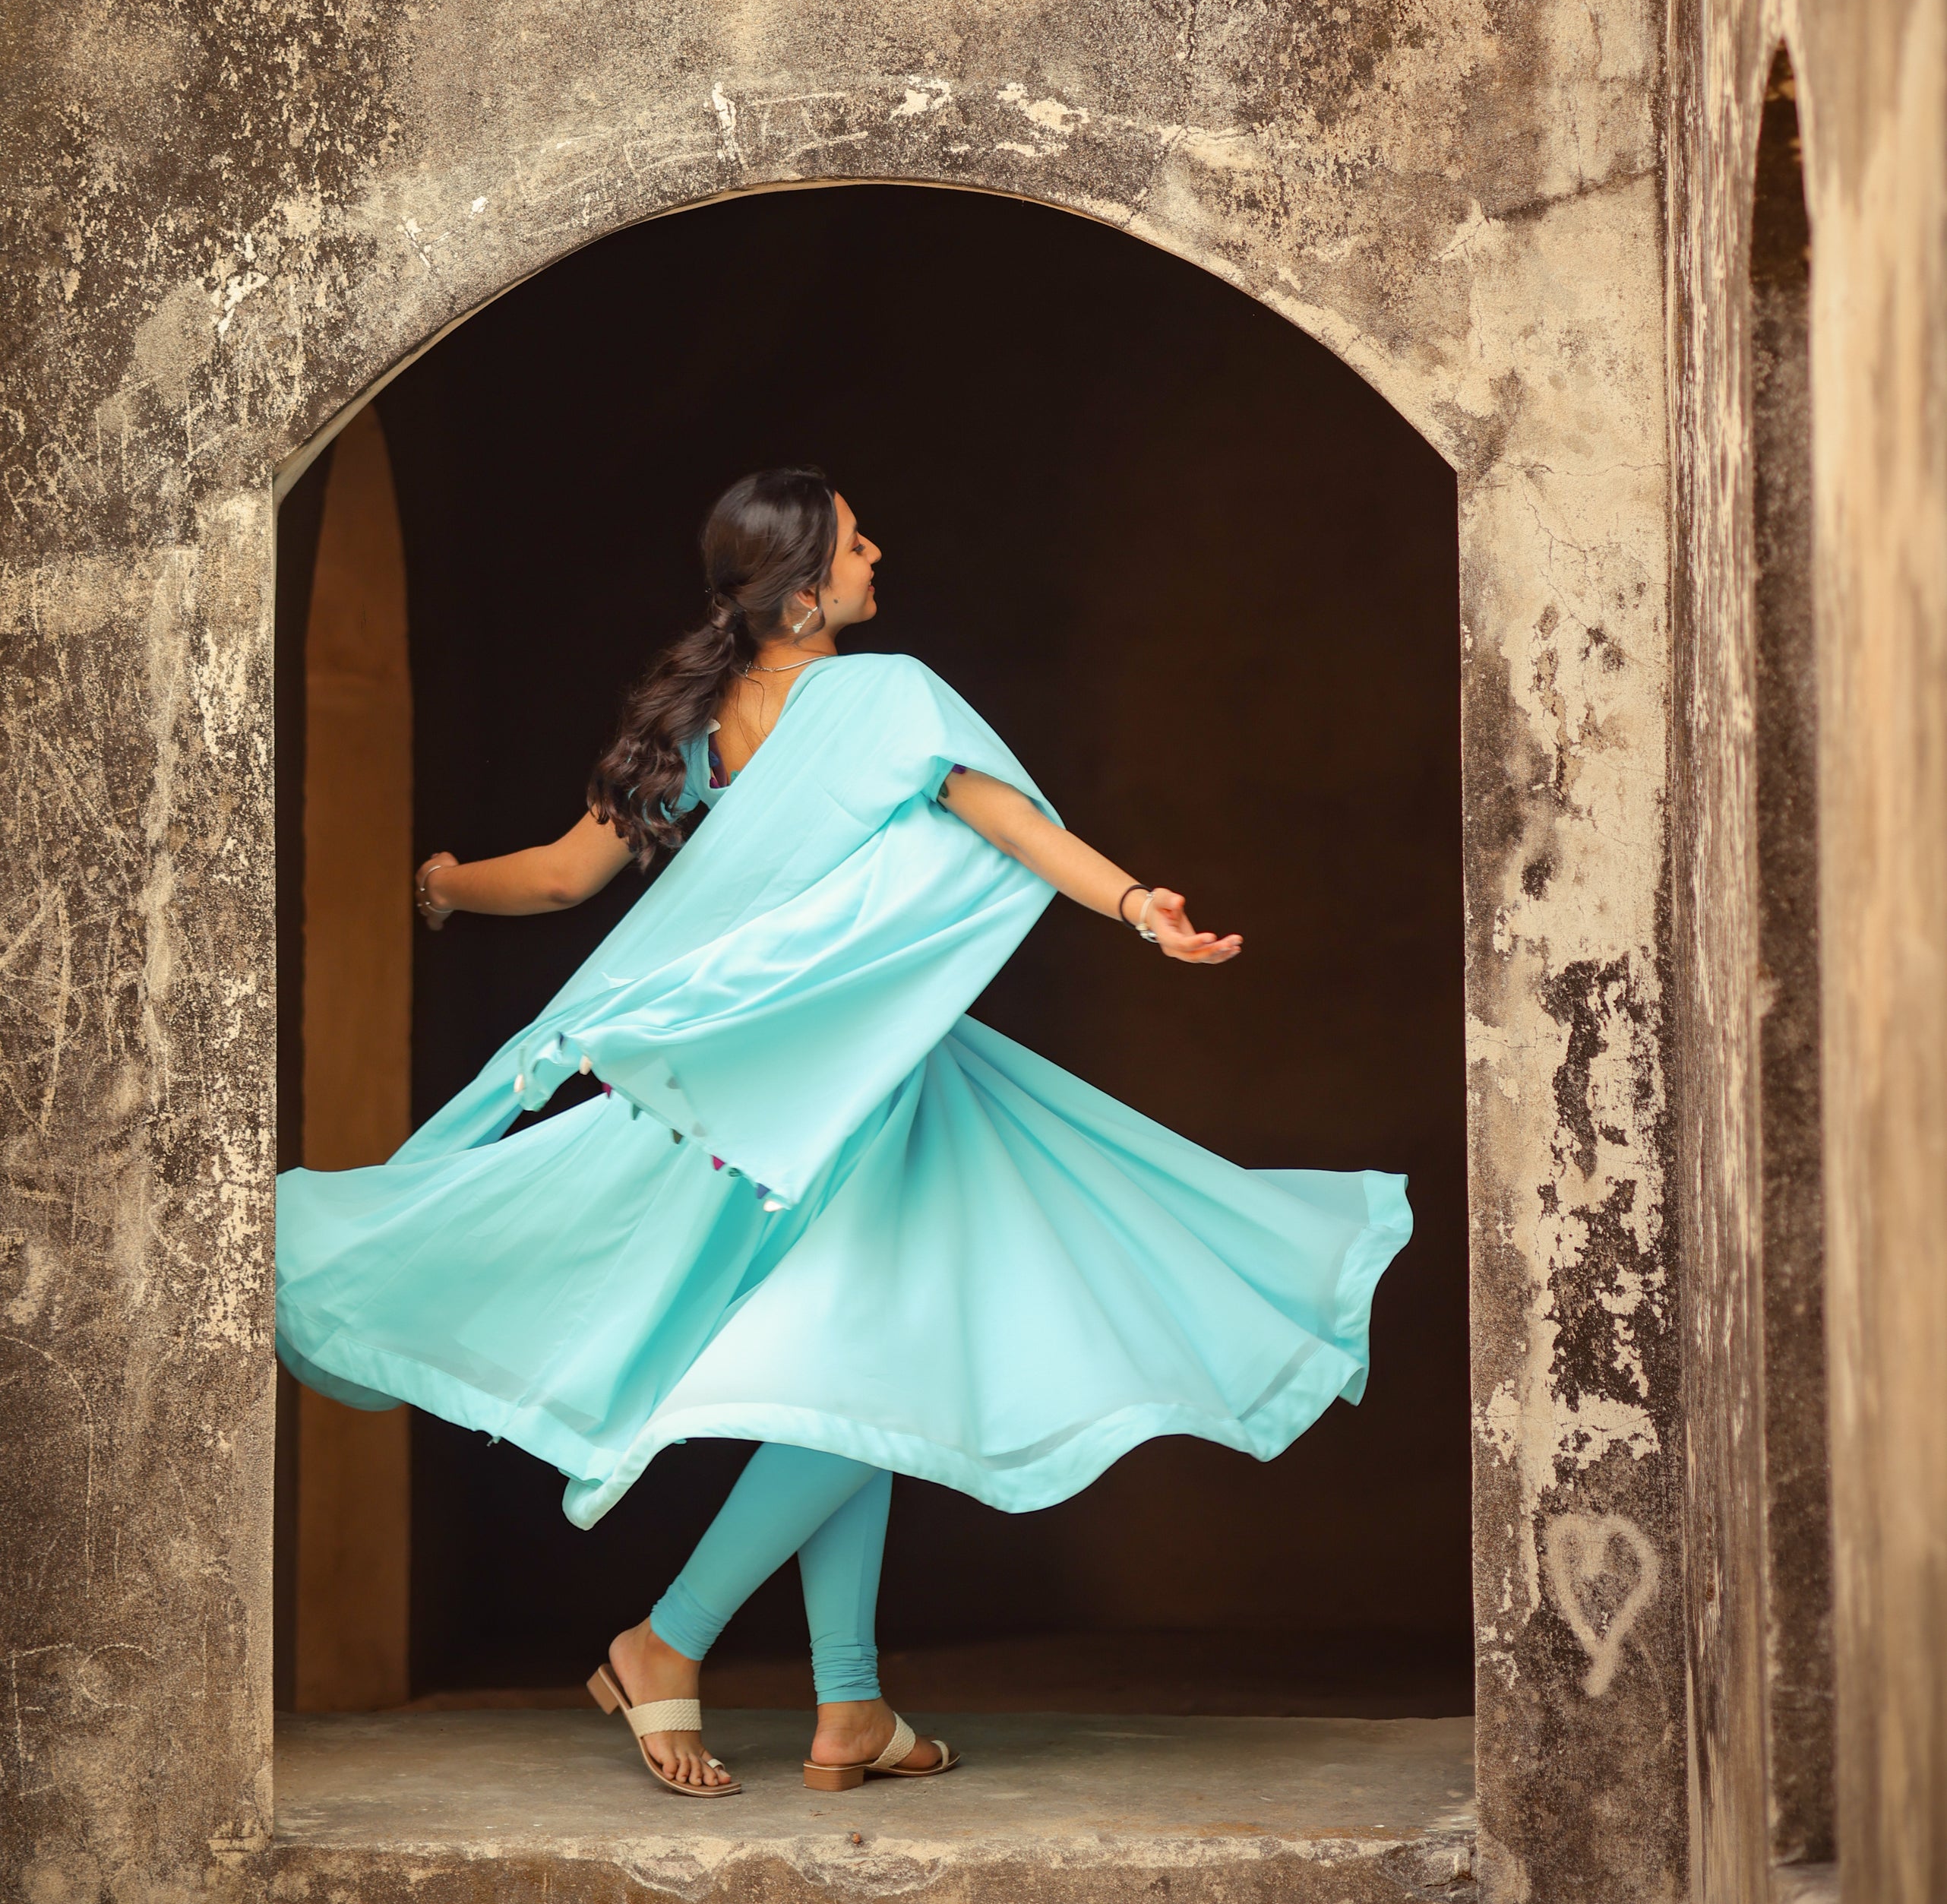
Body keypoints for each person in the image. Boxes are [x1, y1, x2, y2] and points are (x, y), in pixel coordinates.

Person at [277, 467, 1411, 1798]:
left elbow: (565, 875)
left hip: (761, 1100)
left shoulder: (697, 720)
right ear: (805, 593)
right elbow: (1007, 818)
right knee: (863, 1365)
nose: (883, 555)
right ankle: (667, 1641)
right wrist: (1133, 904)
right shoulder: (885, 699)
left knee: (854, 1370)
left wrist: (444, 886)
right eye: (859, 542)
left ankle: (852, 1707)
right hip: (843, 1102)